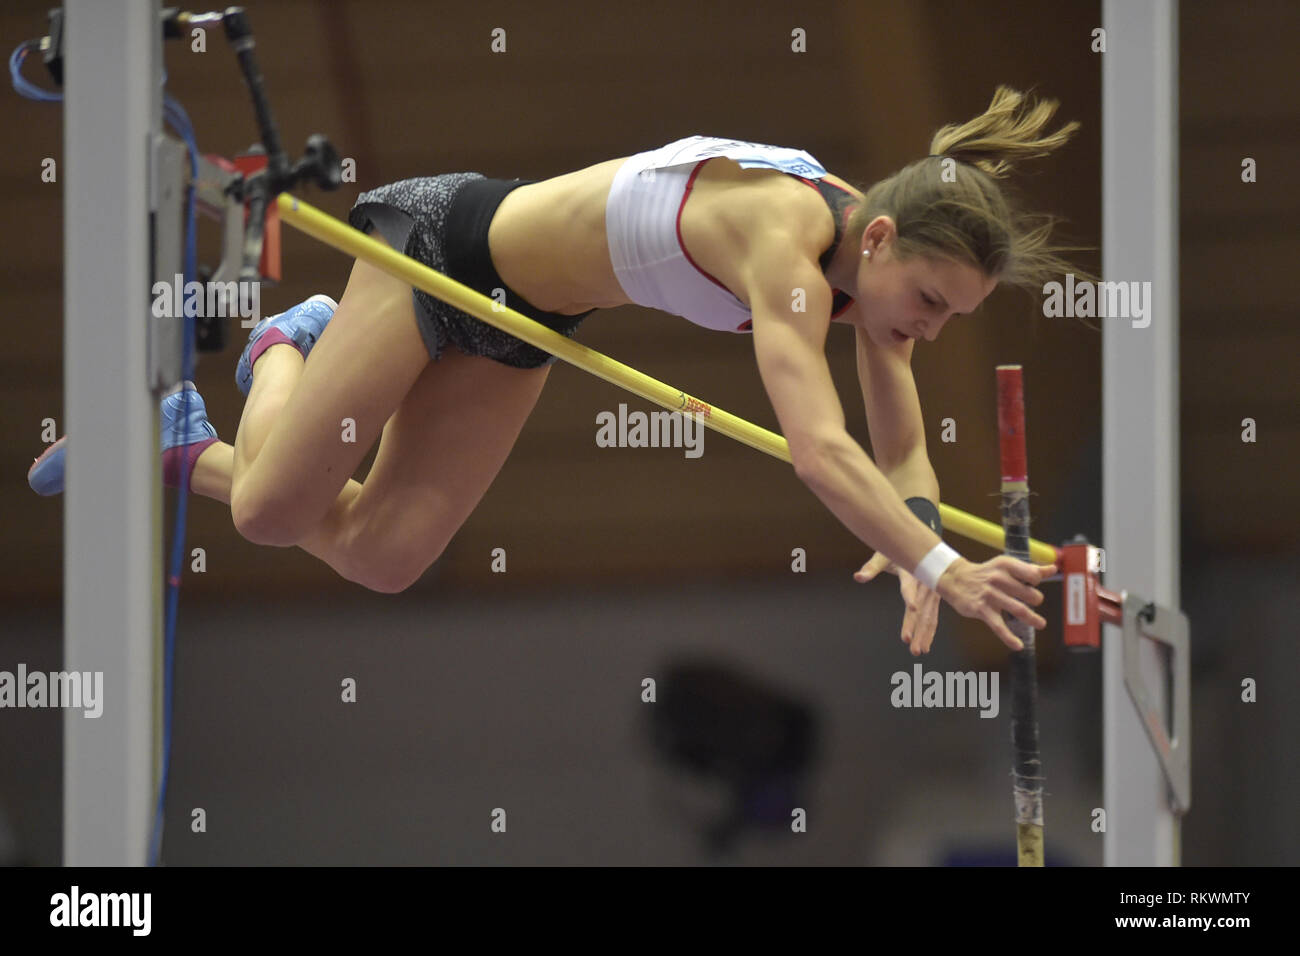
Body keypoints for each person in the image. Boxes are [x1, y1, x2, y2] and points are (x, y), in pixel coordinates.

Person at [31, 86, 1081, 654]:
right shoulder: (786, 248)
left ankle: (177, 437)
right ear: (885, 235)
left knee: (385, 554)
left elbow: (899, 451)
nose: (928, 330)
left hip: (524, 317)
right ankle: (278, 350)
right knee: (267, 510)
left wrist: (919, 540)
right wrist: (941, 566)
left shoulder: (878, 288)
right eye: (931, 303)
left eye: (954, 316)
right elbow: (817, 447)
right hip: (442, 249)